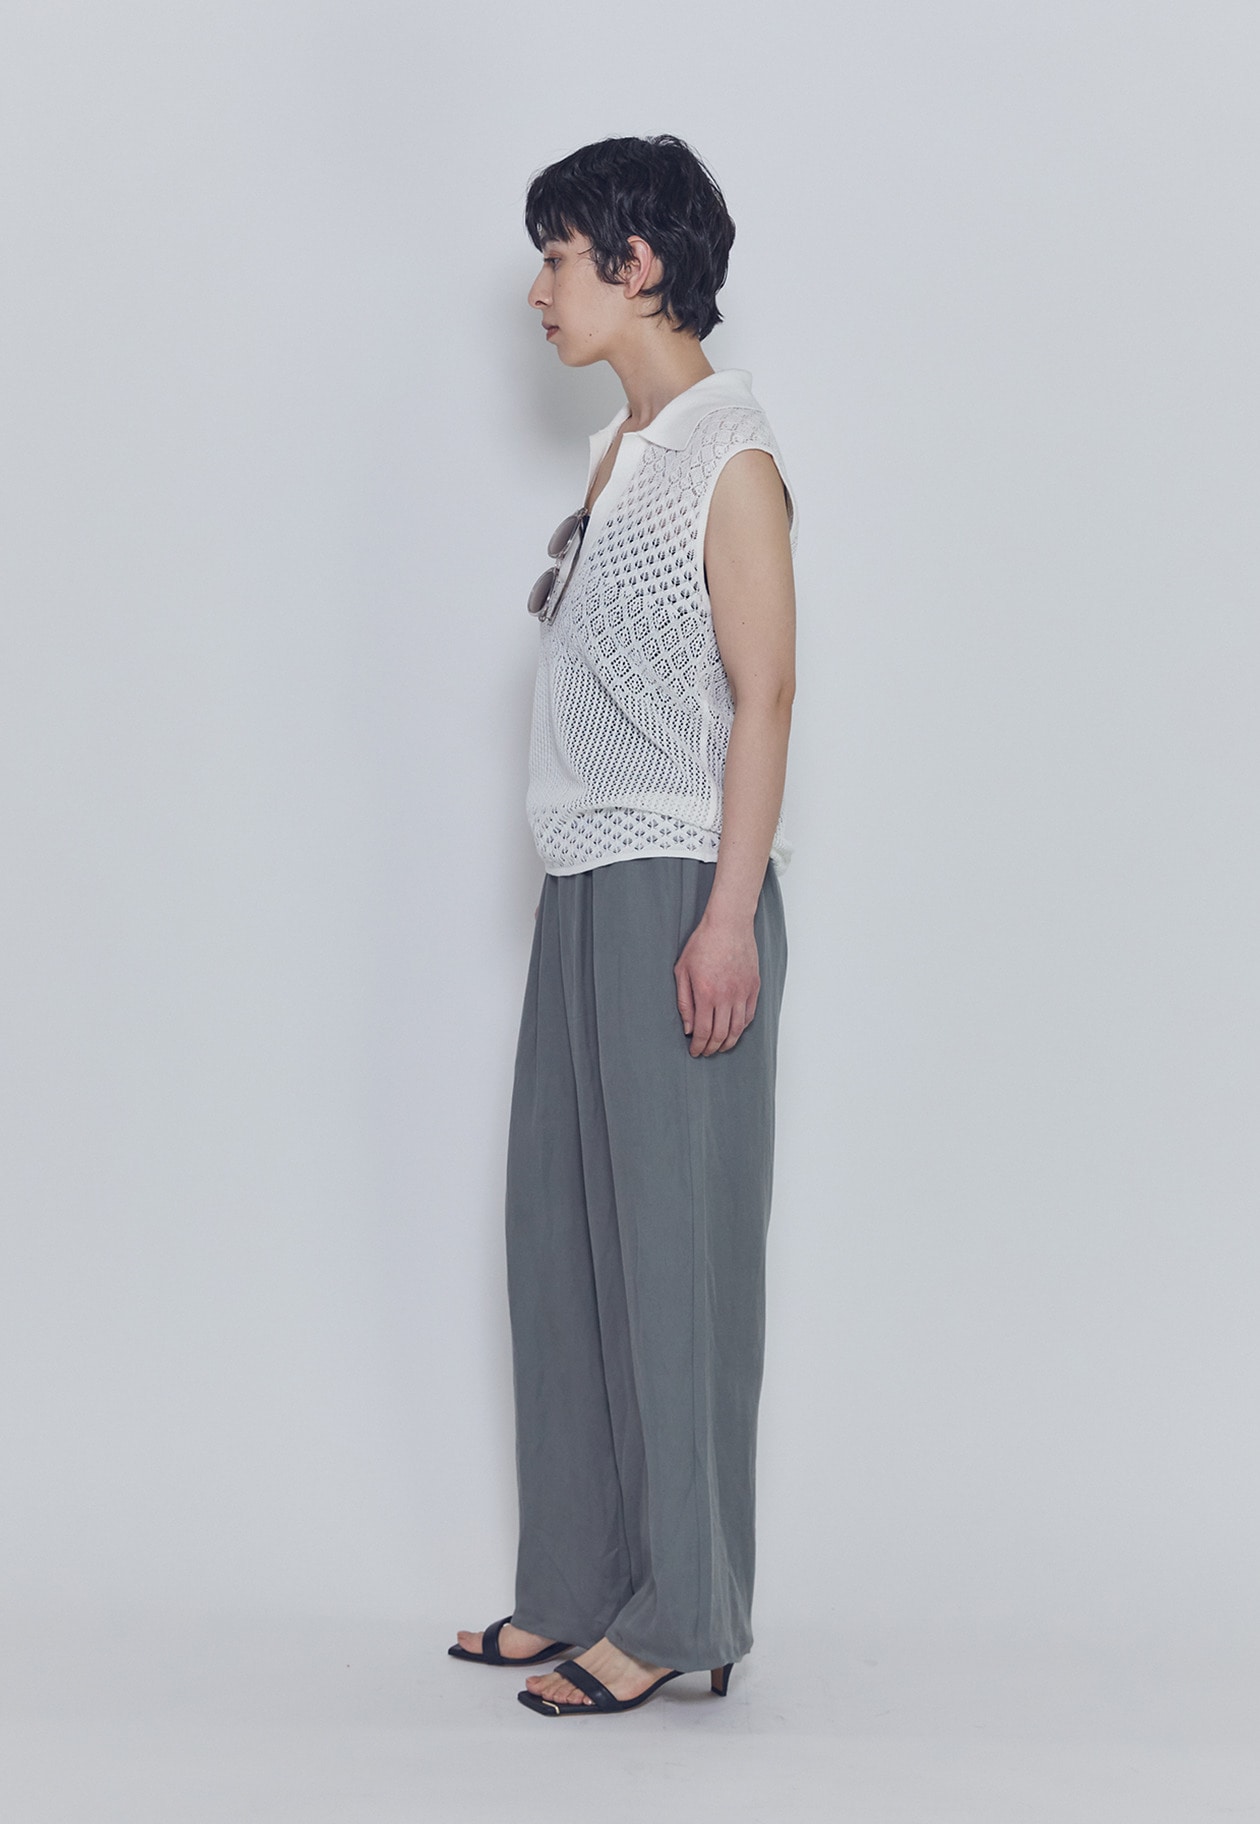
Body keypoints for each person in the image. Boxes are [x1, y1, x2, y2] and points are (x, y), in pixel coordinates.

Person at [449, 134, 798, 1718]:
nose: (539, 290)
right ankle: (579, 1585)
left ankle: (683, 1609)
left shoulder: (731, 452)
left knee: (674, 1256)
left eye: (559, 256)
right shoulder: (624, 454)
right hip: (584, 879)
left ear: (638, 265)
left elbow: (766, 696)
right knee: (565, 1243)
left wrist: (726, 918)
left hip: (677, 884)